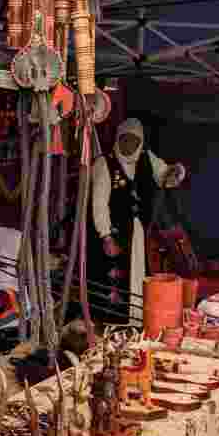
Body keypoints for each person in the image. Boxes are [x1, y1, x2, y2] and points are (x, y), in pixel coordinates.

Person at [90, 118, 186, 323]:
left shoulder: (146, 158)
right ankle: (113, 323)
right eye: (124, 139)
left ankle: (136, 319)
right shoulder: (104, 163)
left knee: (139, 274)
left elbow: (164, 176)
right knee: (114, 279)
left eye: (134, 140)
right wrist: (105, 236)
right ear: (117, 139)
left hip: (138, 232)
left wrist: (174, 172)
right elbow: (99, 203)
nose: (129, 145)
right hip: (114, 232)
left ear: (140, 142)